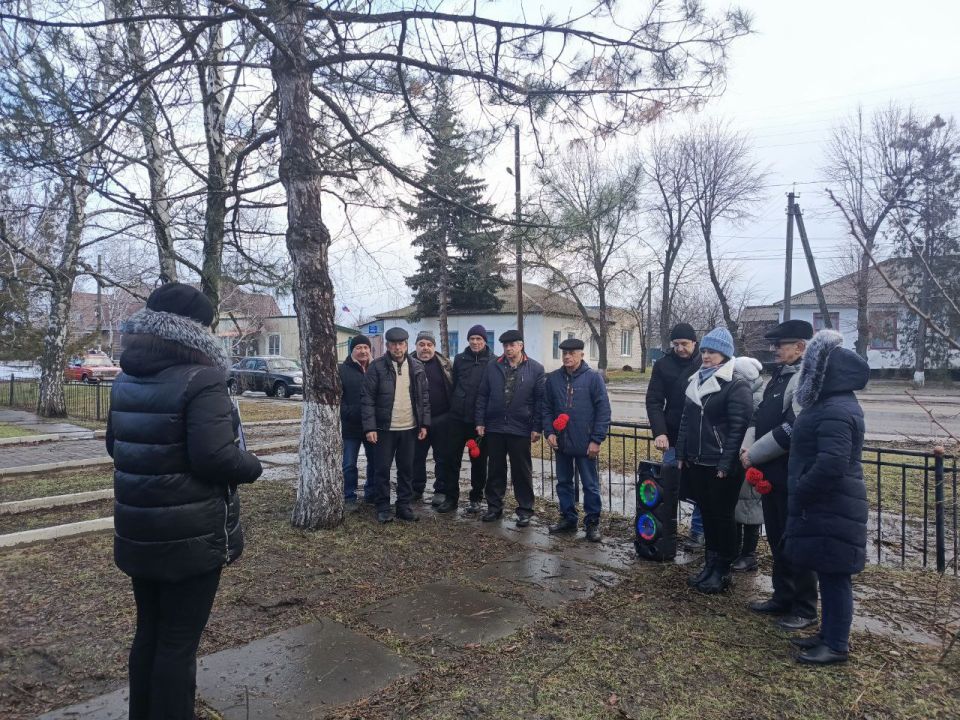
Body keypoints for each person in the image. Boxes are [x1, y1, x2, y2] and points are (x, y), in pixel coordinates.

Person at [106, 283, 263, 720]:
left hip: (139, 529)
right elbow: (215, 457)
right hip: (190, 534)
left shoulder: (125, 378)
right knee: (178, 642)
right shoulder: (203, 379)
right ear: (198, 329)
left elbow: (116, 446)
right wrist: (252, 465)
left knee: (149, 633)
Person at [783, 329, 869, 665]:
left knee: (835, 576)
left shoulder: (836, 409)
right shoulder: (832, 404)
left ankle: (836, 645)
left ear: (826, 373)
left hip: (832, 503)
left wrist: (802, 489)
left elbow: (832, 463)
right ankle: (827, 634)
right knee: (828, 570)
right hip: (828, 503)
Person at [741, 319, 819, 631]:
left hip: (791, 475)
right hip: (771, 475)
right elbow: (759, 416)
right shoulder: (779, 376)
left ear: (800, 347)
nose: (775, 350)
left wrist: (754, 454)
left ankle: (804, 607)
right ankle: (783, 595)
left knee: (795, 541)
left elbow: (792, 427)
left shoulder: (804, 380)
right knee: (776, 537)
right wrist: (748, 448)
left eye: (781, 345)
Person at [676, 326, 753, 594]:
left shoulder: (736, 384)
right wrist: (682, 452)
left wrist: (726, 464)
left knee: (723, 517)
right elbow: (686, 421)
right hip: (698, 461)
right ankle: (710, 565)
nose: (707, 356)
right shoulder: (696, 380)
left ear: (725, 355)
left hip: (721, 464)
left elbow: (738, 428)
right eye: (705, 351)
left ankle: (723, 569)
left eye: (713, 352)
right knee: (707, 515)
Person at [543, 337, 612, 542]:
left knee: (590, 485)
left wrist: (596, 439)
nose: (567, 356)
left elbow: (603, 410)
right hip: (562, 442)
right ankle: (568, 518)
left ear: (582, 354)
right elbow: (546, 408)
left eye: (572, 353)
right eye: (564, 353)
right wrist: (549, 432)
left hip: (585, 442)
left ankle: (592, 523)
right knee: (564, 482)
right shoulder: (554, 379)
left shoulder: (593, 378)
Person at [361, 326, 430, 523]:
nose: (397, 348)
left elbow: (424, 398)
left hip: (409, 428)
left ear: (406, 345)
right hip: (384, 429)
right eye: (393, 344)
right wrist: (370, 427)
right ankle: (383, 507)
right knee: (382, 469)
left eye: (401, 344)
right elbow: (367, 399)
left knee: (406, 469)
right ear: (387, 345)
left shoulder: (417, 366)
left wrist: (424, 424)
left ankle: (403, 506)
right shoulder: (376, 367)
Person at [475, 329, 544, 524]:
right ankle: (494, 507)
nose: (508, 349)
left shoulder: (535, 369)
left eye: (512, 345)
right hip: (495, 426)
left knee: (521, 471)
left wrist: (537, 427)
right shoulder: (493, 366)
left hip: (520, 427)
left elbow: (540, 401)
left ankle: (525, 510)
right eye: (505, 345)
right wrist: (480, 421)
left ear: (521, 345)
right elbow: (483, 395)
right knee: (495, 469)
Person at [645, 322, 704, 547]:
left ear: (694, 343)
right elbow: (654, 400)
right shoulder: (663, 365)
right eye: (676, 344)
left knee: (700, 486)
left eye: (684, 344)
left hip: (700, 436)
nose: (680, 349)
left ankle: (698, 532)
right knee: (668, 485)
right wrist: (660, 432)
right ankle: (665, 529)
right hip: (672, 435)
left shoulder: (705, 361)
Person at [447, 325, 497, 514]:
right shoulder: (460, 359)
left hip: (479, 422)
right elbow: (454, 384)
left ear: (485, 341)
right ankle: (451, 498)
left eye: (479, 339)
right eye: (472, 339)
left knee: (479, 461)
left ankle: (476, 498)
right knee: (452, 459)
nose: (475, 342)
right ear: (468, 340)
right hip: (458, 418)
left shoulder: (493, 361)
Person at [409, 331, 455, 508]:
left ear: (434, 347)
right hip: (417, 420)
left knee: (442, 457)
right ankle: (416, 488)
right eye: (421, 344)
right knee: (416, 456)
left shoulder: (446, 365)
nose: (425, 348)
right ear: (416, 346)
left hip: (442, 418)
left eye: (429, 344)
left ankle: (440, 490)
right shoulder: (407, 364)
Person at [731, 355, 765, 572]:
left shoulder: (757, 397)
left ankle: (749, 555)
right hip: (741, 456)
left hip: (751, 458)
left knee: (751, 507)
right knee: (739, 505)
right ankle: (736, 551)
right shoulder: (750, 392)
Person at [340, 335, 376, 507]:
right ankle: (349, 495)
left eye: (365, 347)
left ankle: (371, 493)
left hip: (373, 426)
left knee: (374, 462)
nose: (363, 351)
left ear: (370, 350)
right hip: (351, 426)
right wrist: (349, 412)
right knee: (348, 464)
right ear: (352, 350)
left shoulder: (376, 368)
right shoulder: (342, 370)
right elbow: (338, 398)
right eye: (358, 348)